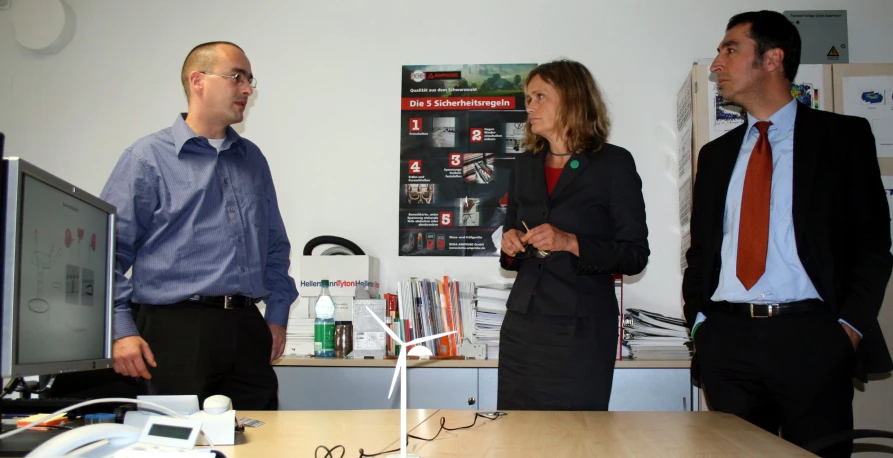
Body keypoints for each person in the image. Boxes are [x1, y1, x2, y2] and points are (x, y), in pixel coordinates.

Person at [682, 11, 892, 457]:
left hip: (812, 339)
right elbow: (701, 253)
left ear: (773, 58)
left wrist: (848, 330)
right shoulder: (715, 155)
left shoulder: (843, 138)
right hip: (728, 343)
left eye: (730, 49)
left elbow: (873, 246)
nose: (716, 63)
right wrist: (701, 327)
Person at [100, 41, 298, 410]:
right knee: (178, 440)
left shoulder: (252, 159)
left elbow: (274, 245)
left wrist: (277, 316)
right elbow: (104, 252)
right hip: (175, 330)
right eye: (236, 77)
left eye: (250, 80)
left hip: (246, 327)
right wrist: (120, 330)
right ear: (198, 81)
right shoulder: (148, 158)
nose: (247, 89)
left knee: (262, 439)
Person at [498, 59, 649, 410]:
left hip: (581, 328)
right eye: (528, 98)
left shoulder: (613, 164)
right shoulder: (524, 165)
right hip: (522, 324)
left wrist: (570, 242)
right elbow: (511, 249)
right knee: (517, 434)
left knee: (577, 436)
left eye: (539, 96)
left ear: (572, 100)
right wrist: (510, 246)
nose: (529, 107)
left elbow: (634, 254)